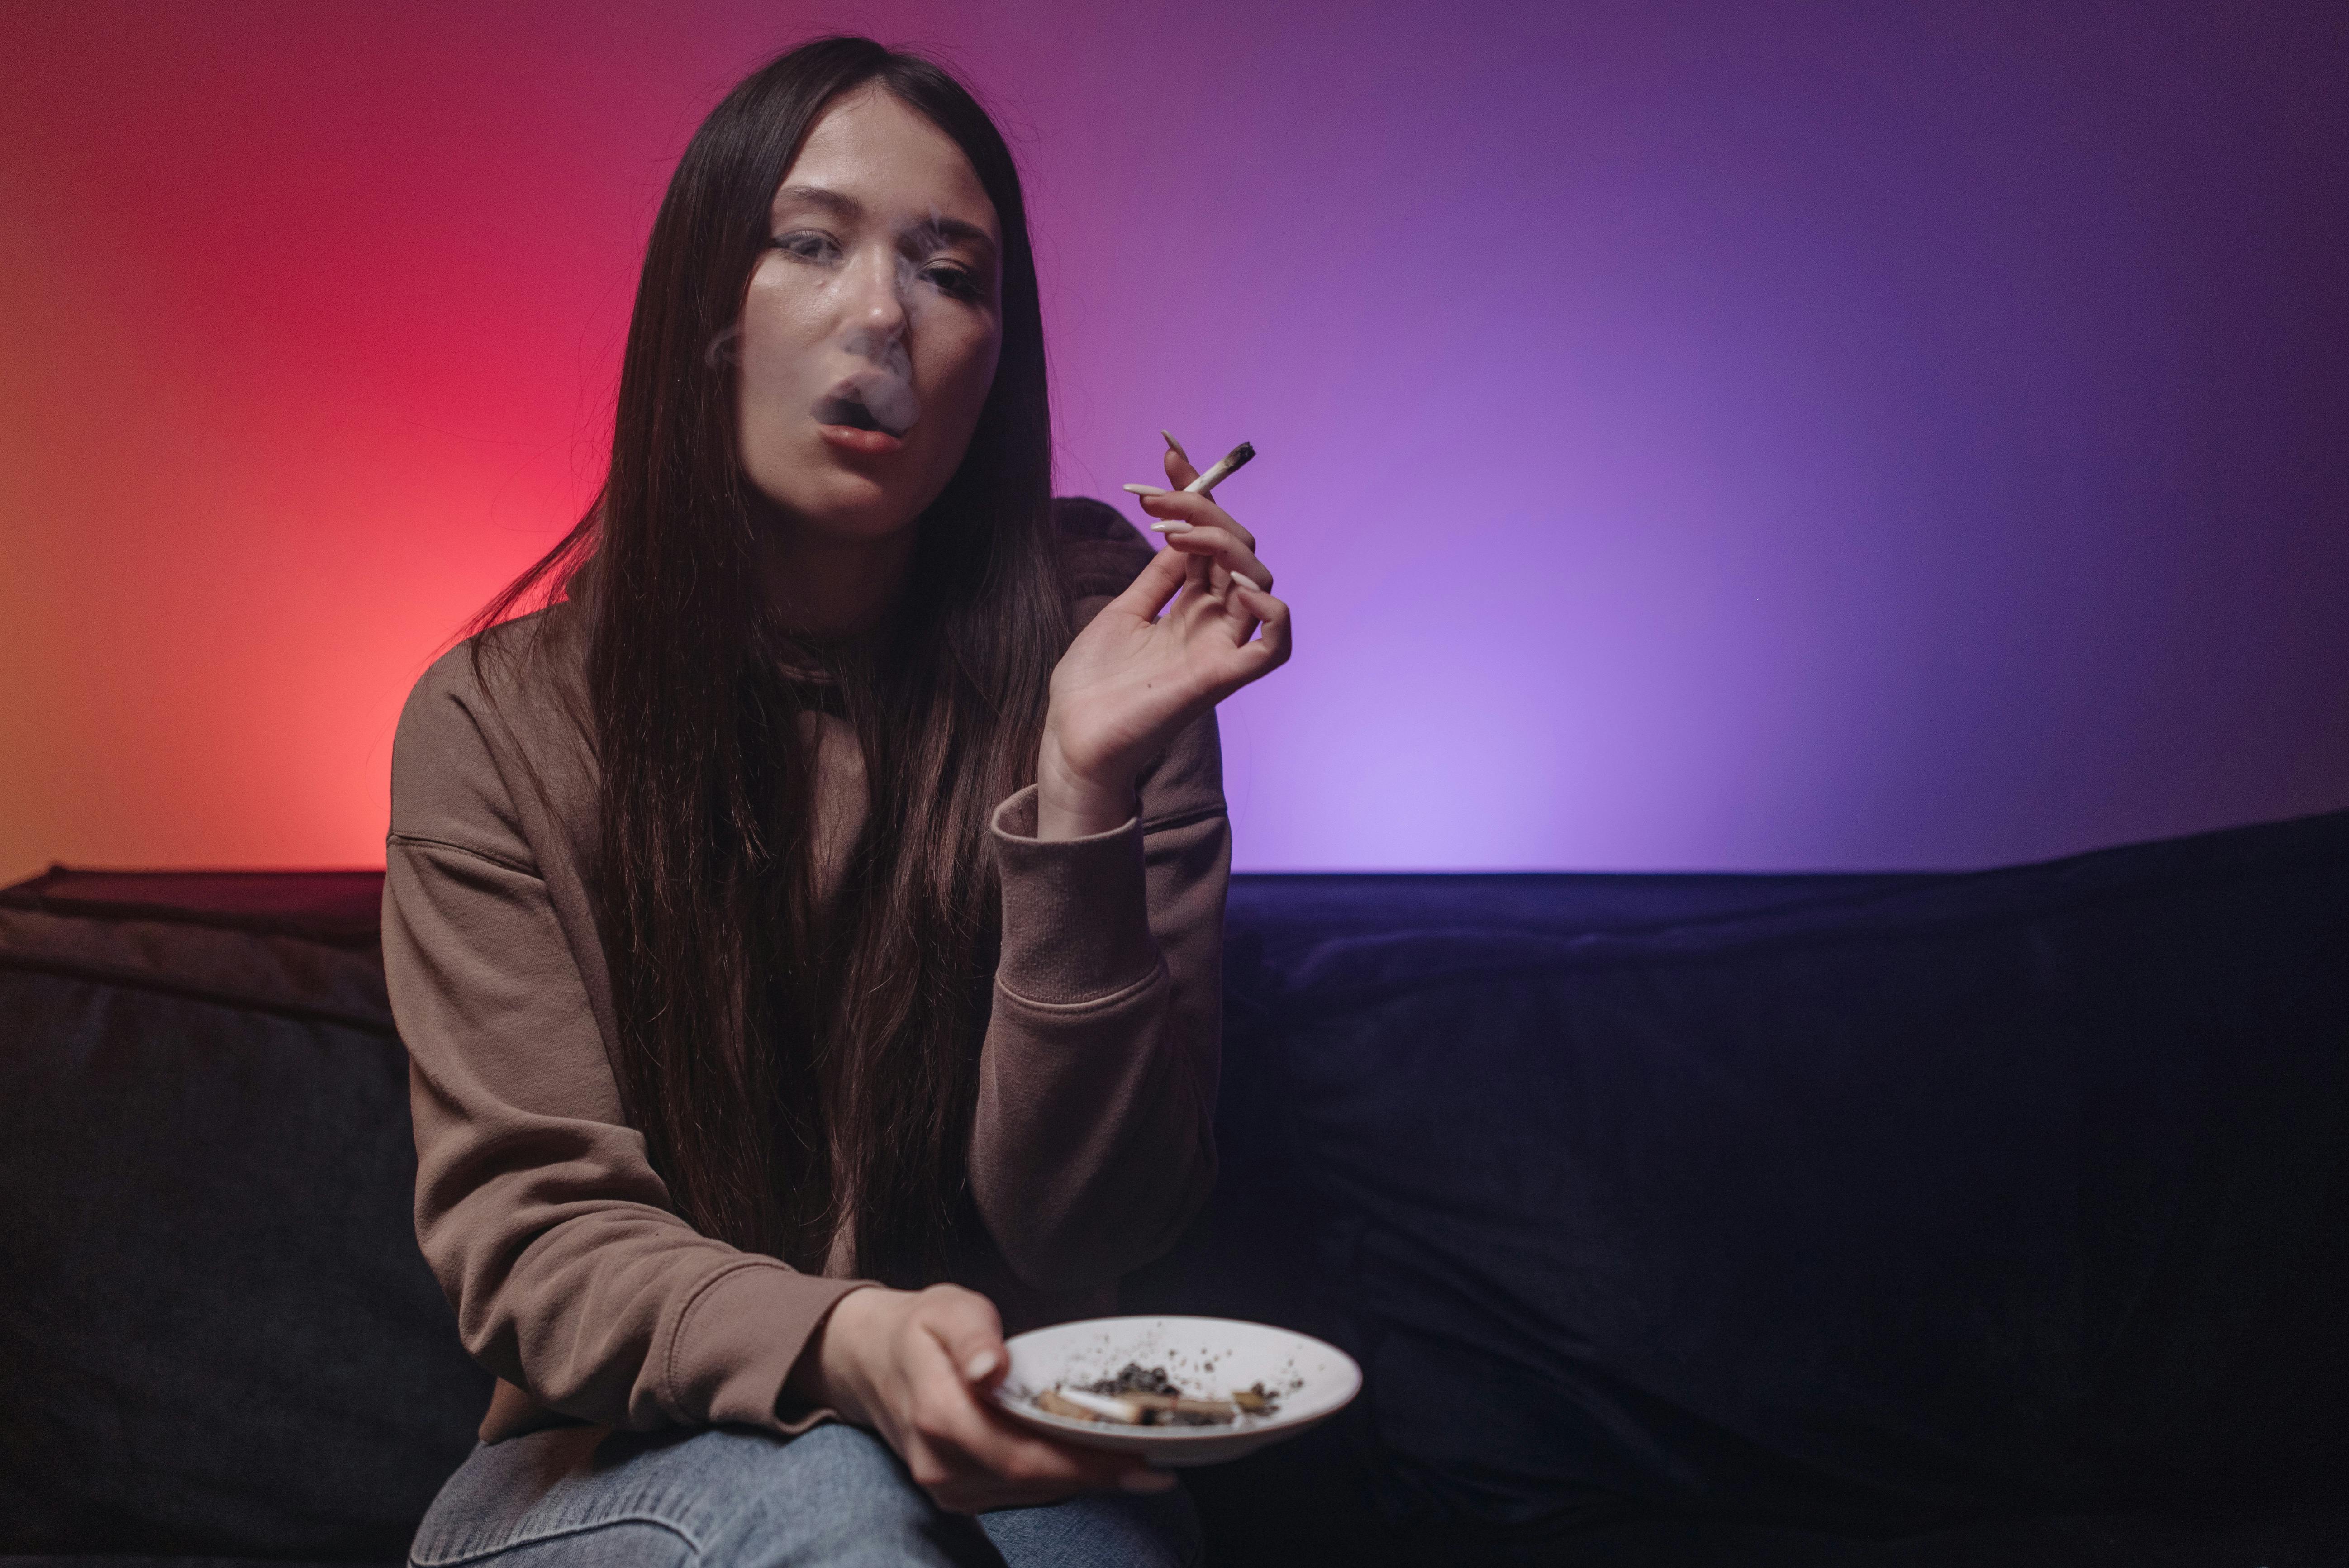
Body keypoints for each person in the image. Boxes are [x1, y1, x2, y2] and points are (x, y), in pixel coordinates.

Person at [381, 34, 1290, 1568]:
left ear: (1000, 356)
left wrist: (1081, 789)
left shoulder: (1109, 674)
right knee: (846, 1517)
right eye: (811, 244)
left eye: (954, 273)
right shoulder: (493, 722)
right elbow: (538, 1246)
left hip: (1014, 1451)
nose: (885, 314)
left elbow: (1096, 1232)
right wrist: (849, 1343)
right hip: (604, 1467)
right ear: (708, 318)